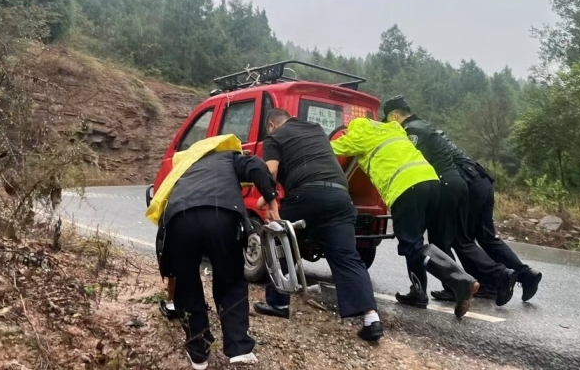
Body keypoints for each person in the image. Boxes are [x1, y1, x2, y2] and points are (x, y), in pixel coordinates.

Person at [147, 134, 280, 369]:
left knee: (187, 283)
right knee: (230, 279)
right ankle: (239, 348)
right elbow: (255, 166)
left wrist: (169, 284)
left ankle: (199, 352)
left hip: (179, 220)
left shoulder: (184, 167)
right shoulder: (229, 157)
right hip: (222, 216)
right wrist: (271, 199)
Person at [252, 109, 383, 341]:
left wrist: (264, 198)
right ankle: (371, 319)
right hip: (340, 197)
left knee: (280, 243)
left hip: (306, 195)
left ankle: (278, 304)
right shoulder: (316, 130)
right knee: (347, 257)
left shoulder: (274, 137)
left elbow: (270, 171)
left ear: (271, 125)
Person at [331, 117, 479, 318]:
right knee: (416, 242)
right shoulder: (393, 129)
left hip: (406, 188)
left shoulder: (359, 134)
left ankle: (460, 281)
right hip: (432, 182)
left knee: (412, 244)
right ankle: (418, 292)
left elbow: (327, 149)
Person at [381, 96, 517, 307]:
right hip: (456, 183)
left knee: (441, 242)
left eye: (389, 121)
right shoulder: (425, 125)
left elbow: (412, 162)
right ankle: (468, 284)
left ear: (395, 115)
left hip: (445, 184)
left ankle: (494, 276)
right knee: (458, 241)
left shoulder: (412, 131)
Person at [435, 128, 543, 302]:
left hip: (468, 186)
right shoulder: (436, 135)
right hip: (482, 181)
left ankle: (498, 277)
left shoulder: (419, 139)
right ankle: (524, 275)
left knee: (461, 240)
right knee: (487, 237)